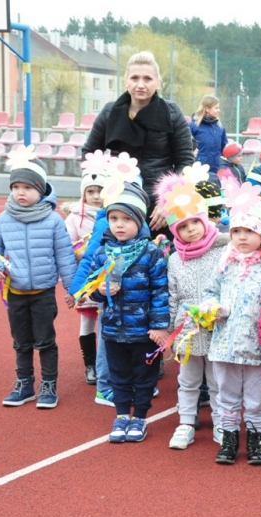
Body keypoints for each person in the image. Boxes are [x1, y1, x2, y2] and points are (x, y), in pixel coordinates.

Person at [0, 147, 77, 408]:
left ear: (40, 189)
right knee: (21, 342)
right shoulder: (4, 219)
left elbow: (65, 256)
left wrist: (73, 289)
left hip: (43, 294)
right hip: (15, 292)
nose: (20, 192)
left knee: (45, 341)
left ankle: (48, 384)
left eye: (26, 187)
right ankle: (24, 383)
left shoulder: (53, 220)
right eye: (15, 187)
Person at [85, 182, 170, 443]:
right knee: (118, 376)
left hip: (144, 332)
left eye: (126, 219)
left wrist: (159, 326)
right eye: (114, 219)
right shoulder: (102, 253)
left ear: (139, 221)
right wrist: (100, 290)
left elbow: (160, 291)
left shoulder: (151, 252)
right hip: (113, 329)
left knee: (144, 377)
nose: (119, 225)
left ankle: (140, 418)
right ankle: (121, 416)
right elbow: (91, 289)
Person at [202, 183, 261, 465]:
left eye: (249, 231)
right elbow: (210, 292)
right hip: (225, 344)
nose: (242, 237)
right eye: (236, 231)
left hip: (256, 345)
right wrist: (211, 307)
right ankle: (229, 438)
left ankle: (256, 439)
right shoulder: (225, 263)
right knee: (226, 394)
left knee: (256, 397)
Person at [82, 50, 194, 236]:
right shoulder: (110, 112)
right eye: (134, 78)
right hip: (120, 201)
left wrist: (169, 200)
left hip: (160, 206)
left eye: (147, 79)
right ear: (126, 81)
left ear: (158, 83)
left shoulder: (172, 112)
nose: (140, 85)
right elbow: (89, 154)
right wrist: (104, 188)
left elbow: (185, 161)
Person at [157, 172, 231, 449]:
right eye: (183, 226)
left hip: (217, 330)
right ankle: (186, 423)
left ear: (204, 220)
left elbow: (230, 289)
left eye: (195, 222)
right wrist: (169, 330)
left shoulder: (223, 251)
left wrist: (221, 312)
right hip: (187, 333)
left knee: (217, 381)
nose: (191, 230)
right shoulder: (176, 260)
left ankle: (222, 423)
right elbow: (172, 296)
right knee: (187, 381)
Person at [62, 168, 105, 384]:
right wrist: (81, 251)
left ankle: (106, 363)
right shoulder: (74, 218)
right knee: (87, 321)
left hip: (107, 278)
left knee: (108, 320)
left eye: (100, 191)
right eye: (91, 191)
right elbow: (66, 245)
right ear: (83, 194)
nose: (96, 196)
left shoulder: (112, 213)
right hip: (86, 277)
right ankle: (90, 365)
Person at [190, 95, 229, 172]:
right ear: (207, 109)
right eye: (216, 108)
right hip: (199, 170)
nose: (219, 110)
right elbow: (185, 146)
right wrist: (192, 153)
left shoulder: (220, 127)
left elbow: (224, 148)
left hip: (217, 169)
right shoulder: (193, 126)